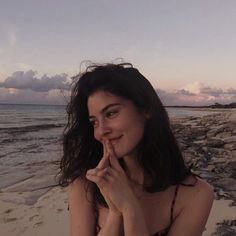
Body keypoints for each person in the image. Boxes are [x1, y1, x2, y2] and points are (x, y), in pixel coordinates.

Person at [59, 62, 214, 236]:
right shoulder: (86, 183)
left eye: (111, 113)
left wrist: (130, 208)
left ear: (145, 109)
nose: (101, 131)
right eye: (94, 122)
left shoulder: (195, 194)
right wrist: (115, 215)